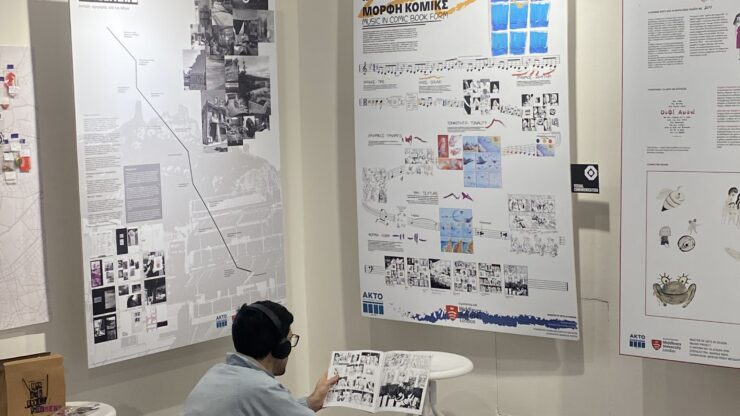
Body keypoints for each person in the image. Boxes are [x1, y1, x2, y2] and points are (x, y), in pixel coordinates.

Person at [183, 301, 339, 415]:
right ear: (281, 348)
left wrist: (312, 401)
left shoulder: (216, 374)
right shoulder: (258, 387)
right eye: (289, 340)